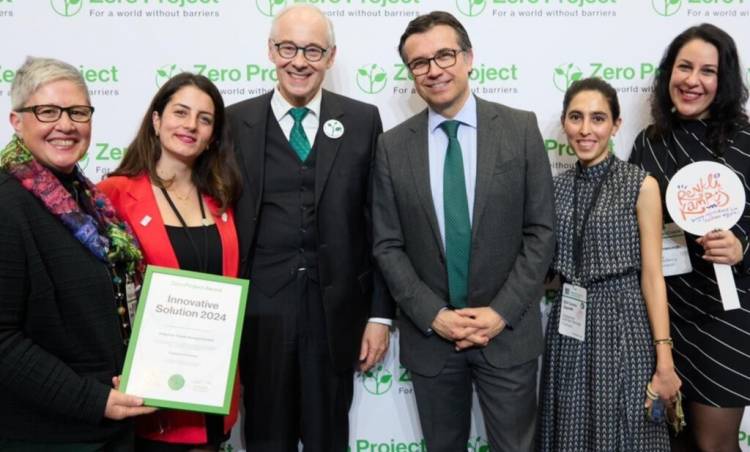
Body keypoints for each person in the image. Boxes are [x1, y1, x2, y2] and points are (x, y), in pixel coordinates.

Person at [372, 11, 555, 451]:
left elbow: (540, 232)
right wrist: (434, 315)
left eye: (445, 55)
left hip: (507, 334)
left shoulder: (520, 128)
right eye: (419, 62)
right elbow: (387, 245)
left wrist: (500, 313)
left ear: (468, 58)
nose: (434, 70)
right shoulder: (392, 146)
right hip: (431, 338)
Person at [226, 5, 394, 451]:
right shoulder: (234, 122)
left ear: (330, 57)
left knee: (328, 439)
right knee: (265, 439)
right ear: (271, 51)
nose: (299, 61)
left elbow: (379, 223)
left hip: (336, 316)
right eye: (288, 48)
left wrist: (379, 315)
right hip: (258, 316)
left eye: (313, 50)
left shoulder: (363, 120)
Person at [0, 56, 154, 451]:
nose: (66, 125)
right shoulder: (7, 204)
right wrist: (91, 398)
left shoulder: (87, 199)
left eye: (77, 112)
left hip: (104, 430)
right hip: (45, 435)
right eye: (47, 112)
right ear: (17, 121)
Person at [97, 72, 242, 451]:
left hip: (214, 388)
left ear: (213, 135)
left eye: (204, 119)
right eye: (180, 112)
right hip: (150, 397)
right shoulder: (114, 194)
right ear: (157, 120)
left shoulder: (222, 196)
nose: (191, 125)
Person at [537, 77, 682, 451]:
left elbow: (652, 276)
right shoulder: (556, 187)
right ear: (565, 123)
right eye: (576, 117)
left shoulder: (640, 184)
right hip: (568, 326)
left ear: (616, 125)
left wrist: (664, 359)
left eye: (598, 118)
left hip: (624, 322)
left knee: (627, 429)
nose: (585, 129)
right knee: (570, 429)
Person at [629, 23, 750, 452]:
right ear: (669, 73)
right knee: (673, 441)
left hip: (725, 315)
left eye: (707, 71)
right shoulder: (649, 143)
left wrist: (742, 249)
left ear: (724, 81)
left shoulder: (745, 141)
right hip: (663, 316)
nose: (692, 80)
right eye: (684, 67)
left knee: (713, 443)